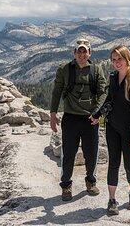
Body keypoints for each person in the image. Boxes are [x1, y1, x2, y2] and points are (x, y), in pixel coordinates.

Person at [90, 45, 130, 215]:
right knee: (113, 163)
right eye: (113, 59)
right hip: (112, 127)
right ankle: (112, 199)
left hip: (129, 131)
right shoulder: (114, 77)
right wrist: (98, 114)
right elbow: (109, 99)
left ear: (127, 58)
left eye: (119, 59)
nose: (116, 62)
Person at [50, 37, 107, 201]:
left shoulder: (96, 70)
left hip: (90, 119)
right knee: (68, 153)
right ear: (74, 52)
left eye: (85, 51)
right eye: (79, 51)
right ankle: (66, 185)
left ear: (90, 53)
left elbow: (103, 92)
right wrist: (53, 115)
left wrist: (97, 113)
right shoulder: (64, 69)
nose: (82, 54)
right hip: (70, 118)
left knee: (91, 152)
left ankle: (91, 182)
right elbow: (57, 92)